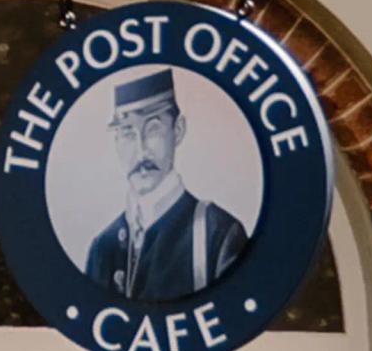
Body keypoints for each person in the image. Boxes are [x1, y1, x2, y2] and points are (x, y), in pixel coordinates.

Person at [82, 69, 251, 302]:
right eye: (128, 133)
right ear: (116, 141)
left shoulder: (218, 235)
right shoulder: (103, 247)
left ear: (178, 130)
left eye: (153, 129)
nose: (141, 151)